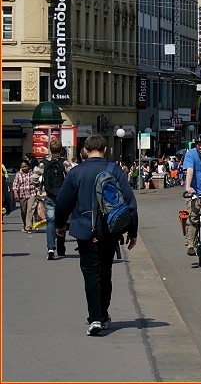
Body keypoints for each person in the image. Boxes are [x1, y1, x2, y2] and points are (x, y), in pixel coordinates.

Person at [54, 135, 138, 336]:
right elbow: (130, 204)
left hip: (84, 230)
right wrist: (132, 233)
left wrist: (60, 225)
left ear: (85, 150)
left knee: (91, 274)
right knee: (105, 272)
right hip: (110, 230)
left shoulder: (76, 172)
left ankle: (94, 319)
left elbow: (63, 202)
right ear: (105, 149)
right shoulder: (114, 170)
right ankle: (102, 314)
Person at [41, 137, 72, 259]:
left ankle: (50, 248)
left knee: (50, 222)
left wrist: (42, 189)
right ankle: (61, 248)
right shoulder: (64, 163)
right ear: (61, 150)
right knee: (62, 221)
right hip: (62, 196)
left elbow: (33, 178)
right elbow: (72, 177)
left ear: (50, 149)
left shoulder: (44, 163)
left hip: (48, 195)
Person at [12, 159, 40, 233]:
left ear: (28, 166)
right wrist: (15, 193)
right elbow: (15, 184)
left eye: (25, 166)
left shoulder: (32, 173)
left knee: (29, 210)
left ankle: (28, 227)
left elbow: (37, 183)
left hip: (31, 193)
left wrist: (38, 192)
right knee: (24, 211)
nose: (24, 168)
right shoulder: (18, 174)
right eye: (23, 167)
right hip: (22, 194)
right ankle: (25, 225)